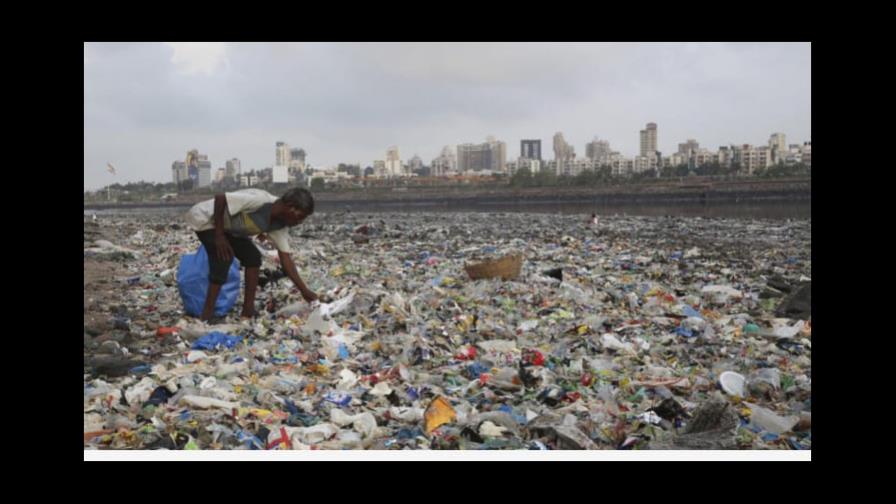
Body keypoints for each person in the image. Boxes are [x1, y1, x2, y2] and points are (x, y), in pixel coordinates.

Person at [185, 187, 318, 321]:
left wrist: (304, 290)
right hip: (206, 220)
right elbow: (221, 198)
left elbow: (286, 259)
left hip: (228, 229)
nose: (300, 222)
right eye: (300, 217)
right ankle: (206, 315)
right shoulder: (260, 201)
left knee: (253, 257)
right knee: (223, 258)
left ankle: (247, 311)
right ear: (290, 207)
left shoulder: (279, 226)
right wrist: (219, 236)